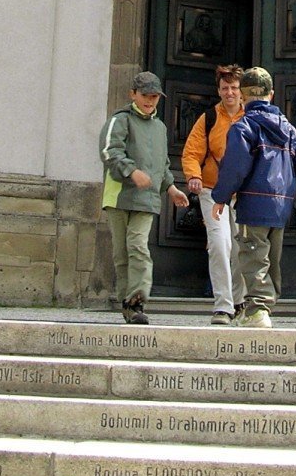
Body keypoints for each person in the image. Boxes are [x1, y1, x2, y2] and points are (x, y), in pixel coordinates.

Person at [212, 66, 296, 328]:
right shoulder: (288, 128)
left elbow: (235, 167)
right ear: (272, 94)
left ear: (242, 96)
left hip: (253, 201)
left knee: (253, 253)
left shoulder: (243, 126)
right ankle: (268, 303)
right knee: (272, 255)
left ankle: (257, 307)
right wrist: (286, 186)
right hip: (281, 204)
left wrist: (220, 197)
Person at [100, 71, 189, 325]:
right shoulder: (121, 121)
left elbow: (161, 163)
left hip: (147, 199)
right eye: (145, 96)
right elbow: (109, 151)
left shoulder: (160, 127)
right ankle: (127, 304)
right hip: (118, 196)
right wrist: (131, 171)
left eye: (154, 97)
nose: (150, 101)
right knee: (121, 254)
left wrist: (171, 188)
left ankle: (137, 300)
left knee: (138, 246)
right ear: (133, 95)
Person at [181, 64, 247, 325]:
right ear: (218, 90)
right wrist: (193, 176)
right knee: (220, 245)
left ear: (242, 91)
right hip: (212, 191)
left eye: (234, 87)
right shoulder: (208, 118)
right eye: (225, 88)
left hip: (242, 194)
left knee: (242, 248)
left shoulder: (249, 117)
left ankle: (240, 301)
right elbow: (191, 153)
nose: (229, 92)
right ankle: (223, 306)